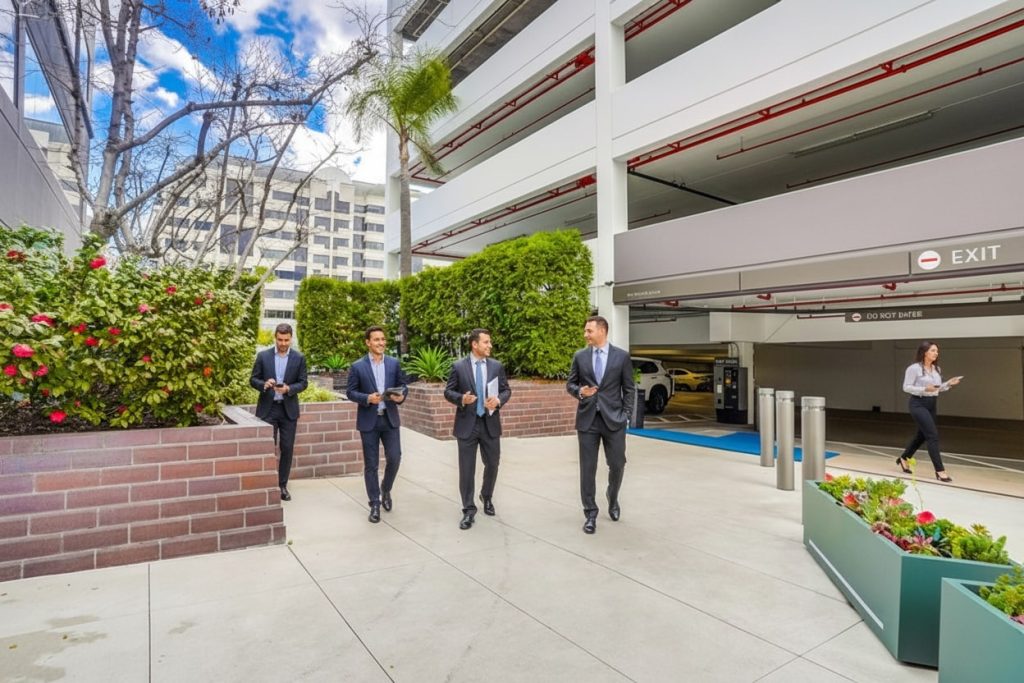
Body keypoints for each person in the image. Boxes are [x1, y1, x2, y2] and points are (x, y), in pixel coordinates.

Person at [566, 315, 635, 534]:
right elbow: (570, 384)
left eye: (589, 331)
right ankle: (590, 513)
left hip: (614, 420)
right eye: (585, 331)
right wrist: (580, 392)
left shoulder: (622, 357)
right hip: (588, 420)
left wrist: (626, 414)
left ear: (602, 331)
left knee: (617, 464)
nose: (585, 335)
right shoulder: (580, 356)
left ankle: (612, 497)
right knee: (588, 469)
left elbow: (629, 389)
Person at [443, 328, 512, 530]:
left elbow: (506, 389)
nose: (490, 345)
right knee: (467, 470)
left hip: (489, 423)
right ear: (475, 344)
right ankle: (468, 509)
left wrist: (498, 400)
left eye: (489, 342)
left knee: (493, 463)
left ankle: (486, 496)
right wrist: (461, 399)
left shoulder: (497, 366)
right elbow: (448, 391)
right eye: (486, 342)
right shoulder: (458, 367)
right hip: (467, 425)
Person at [347, 326, 409, 523]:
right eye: (376, 340)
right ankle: (374, 503)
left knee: (395, 458)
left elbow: (403, 386)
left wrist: (401, 397)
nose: (381, 343)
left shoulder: (393, 363)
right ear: (368, 342)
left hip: (389, 418)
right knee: (371, 465)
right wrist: (367, 398)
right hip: (369, 421)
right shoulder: (357, 366)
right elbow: (350, 392)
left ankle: (386, 489)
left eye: (383, 339)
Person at [250, 323, 308, 502]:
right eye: (280, 340)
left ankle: (282, 485)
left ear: (291, 338)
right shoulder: (263, 356)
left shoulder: (299, 358)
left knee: (287, 448)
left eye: (286, 340)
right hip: (268, 408)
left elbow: (303, 382)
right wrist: (264, 384)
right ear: (275, 337)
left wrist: (289, 388)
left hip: (288, 410)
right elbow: (253, 379)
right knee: (268, 448)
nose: (283, 343)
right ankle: (266, 483)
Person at [896, 341, 962, 483]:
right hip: (918, 403)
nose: (936, 353)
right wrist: (924, 389)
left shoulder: (936, 369)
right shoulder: (914, 369)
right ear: (925, 352)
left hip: (932, 404)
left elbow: (936, 388)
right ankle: (940, 471)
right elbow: (906, 387)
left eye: (937, 351)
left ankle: (903, 458)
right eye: (933, 350)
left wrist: (948, 384)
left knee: (922, 436)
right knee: (932, 435)